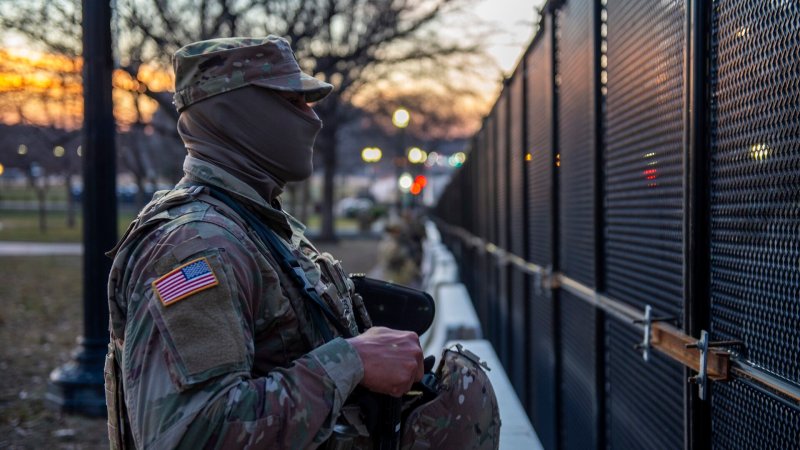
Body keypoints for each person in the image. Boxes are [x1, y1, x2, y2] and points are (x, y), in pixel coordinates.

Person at [105, 36, 424, 449]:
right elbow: (193, 435)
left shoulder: (253, 222)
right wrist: (352, 361)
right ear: (239, 114)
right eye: (294, 102)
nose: (315, 119)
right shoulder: (195, 245)